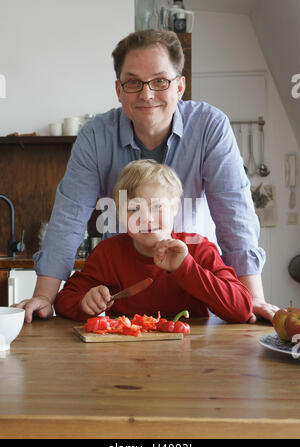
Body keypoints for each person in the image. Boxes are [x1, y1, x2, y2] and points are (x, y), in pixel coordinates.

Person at [14, 29, 278, 323]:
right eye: (133, 82)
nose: (146, 94)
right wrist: (45, 296)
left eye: (160, 81)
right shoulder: (95, 137)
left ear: (179, 87)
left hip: (192, 287)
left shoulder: (210, 127)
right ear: (118, 89)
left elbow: (234, 212)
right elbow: (69, 216)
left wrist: (253, 297)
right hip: (123, 297)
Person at [54, 160, 252, 323]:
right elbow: (64, 301)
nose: (147, 218)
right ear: (120, 215)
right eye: (134, 209)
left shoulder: (198, 248)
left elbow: (241, 308)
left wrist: (185, 267)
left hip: (191, 355)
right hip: (126, 355)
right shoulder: (108, 253)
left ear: (175, 208)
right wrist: (84, 303)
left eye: (157, 206)